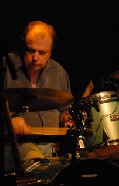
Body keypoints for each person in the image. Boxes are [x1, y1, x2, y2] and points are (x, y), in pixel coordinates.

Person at [3, 20, 73, 171]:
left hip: (53, 147)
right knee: (42, 169)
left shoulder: (58, 72)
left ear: (51, 52)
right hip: (14, 145)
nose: (35, 58)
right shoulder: (6, 67)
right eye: (30, 51)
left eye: (42, 53)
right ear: (23, 46)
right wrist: (9, 119)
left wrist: (66, 118)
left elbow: (64, 111)